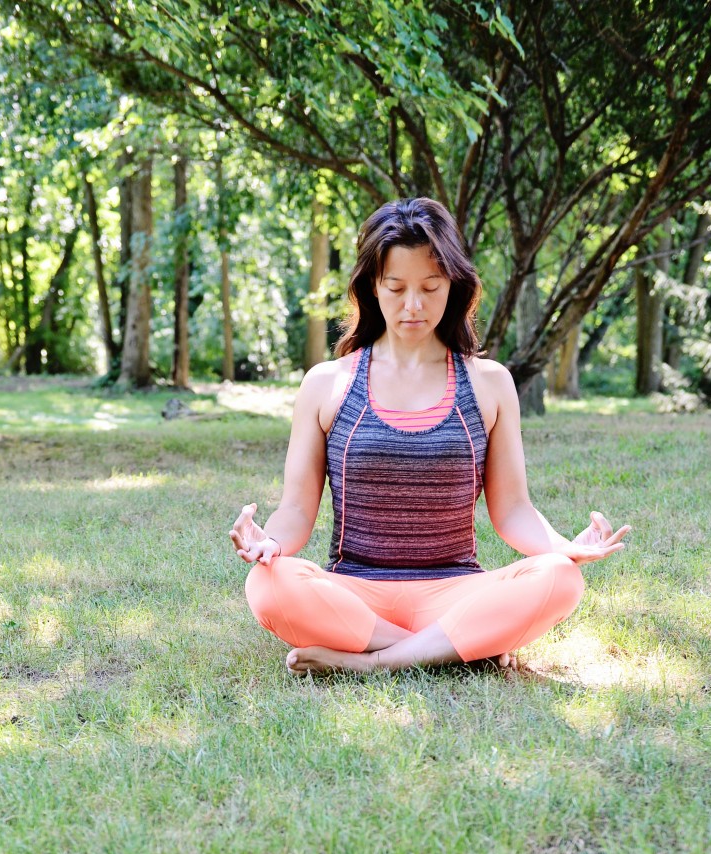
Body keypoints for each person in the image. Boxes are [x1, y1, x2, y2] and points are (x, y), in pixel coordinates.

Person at [229, 198, 630, 675]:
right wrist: (269, 543)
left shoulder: (489, 383)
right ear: (371, 287)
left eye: (430, 287)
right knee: (269, 583)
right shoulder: (326, 383)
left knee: (560, 578)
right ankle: (455, 650)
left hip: (455, 591)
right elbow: (296, 510)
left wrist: (564, 546)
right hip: (355, 591)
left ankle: (373, 662)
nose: (413, 306)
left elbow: (513, 510)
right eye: (396, 288)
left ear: (454, 286)